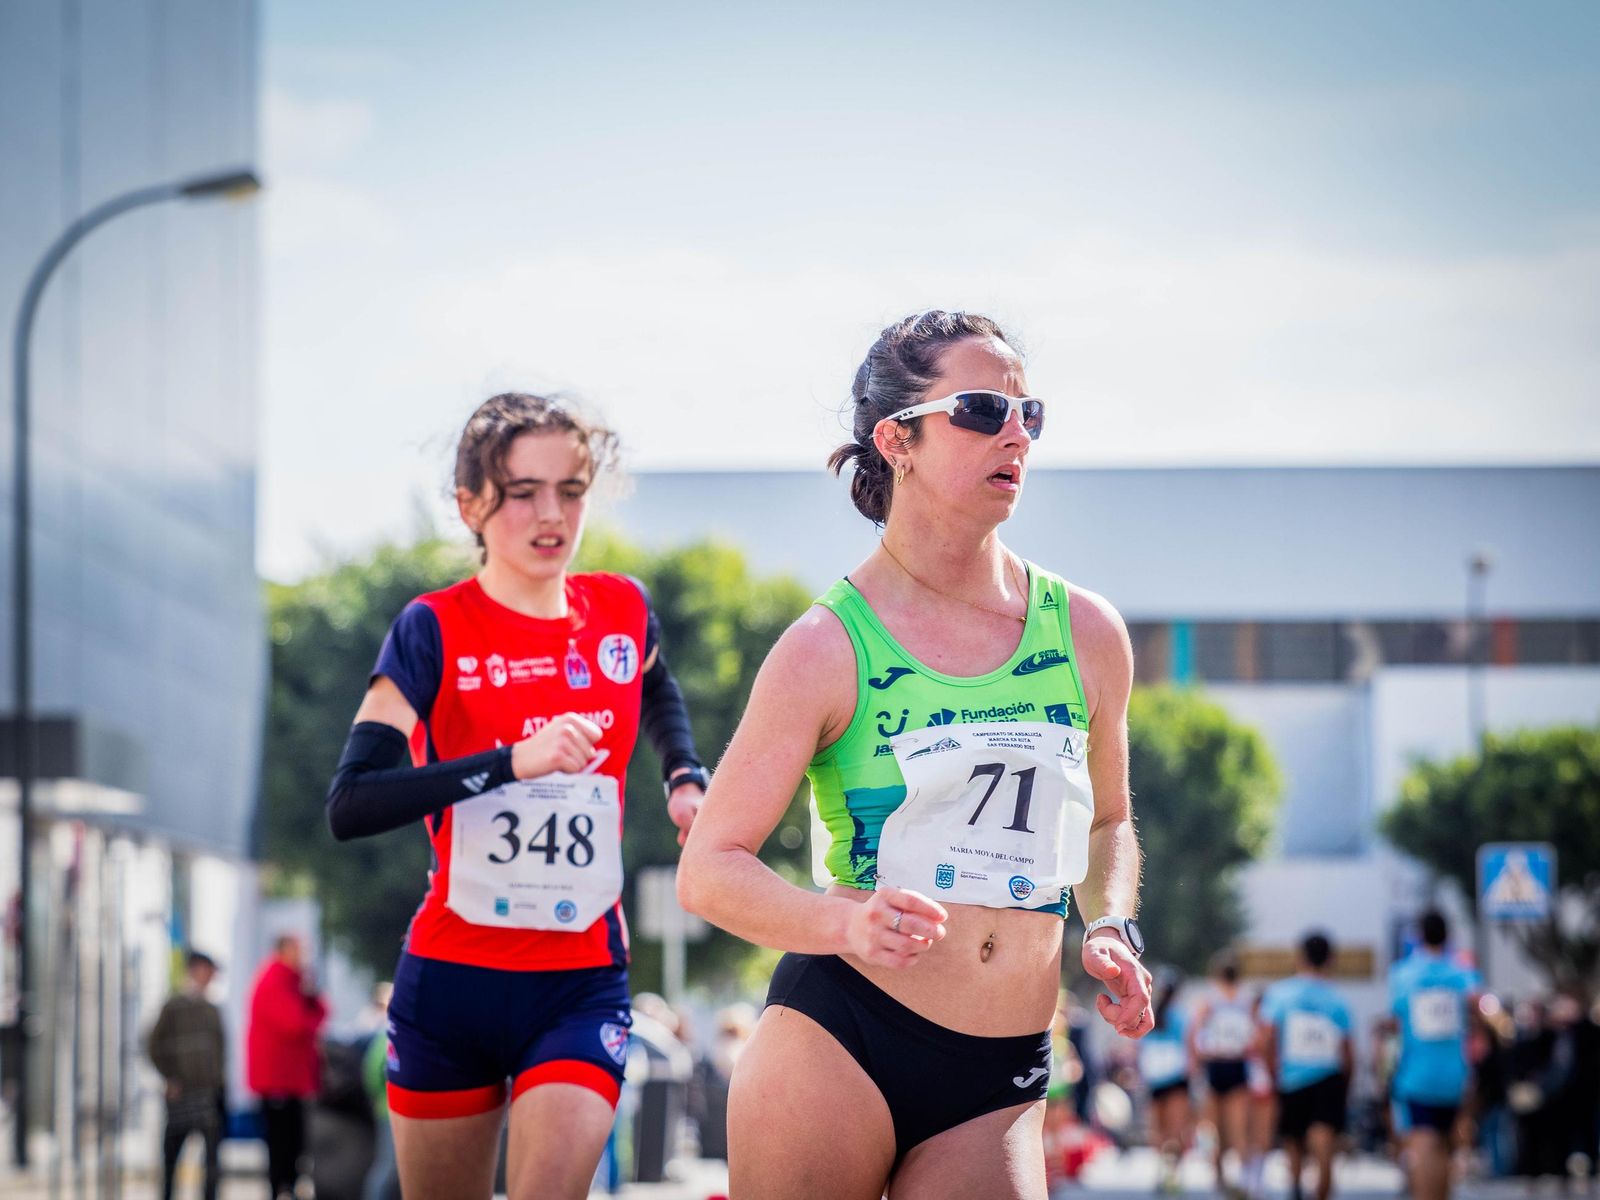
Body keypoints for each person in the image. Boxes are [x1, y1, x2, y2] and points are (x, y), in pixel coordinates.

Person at [678, 310, 1154, 1199]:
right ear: (897, 439)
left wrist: (1112, 924)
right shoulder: (825, 646)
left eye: (1028, 413)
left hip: (999, 1072)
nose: (1015, 433)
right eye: (981, 410)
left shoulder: (1088, 632)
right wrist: (841, 925)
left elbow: (1111, 823)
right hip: (840, 1038)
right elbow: (708, 869)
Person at [324, 392, 708, 1200]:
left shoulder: (620, 611)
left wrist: (685, 780)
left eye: (570, 491)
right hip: (449, 981)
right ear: (470, 505)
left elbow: (657, 685)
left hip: (580, 980)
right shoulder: (432, 628)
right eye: (523, 492)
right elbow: (352, 803)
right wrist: (509, 764)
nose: (551, 514)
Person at [1384, 910, 1480, 1200]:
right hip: (1455, 1075)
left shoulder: (1404, 974)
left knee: (1425, 1145)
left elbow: (1395, 1019)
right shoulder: (1462, 974)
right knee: (1448, 1147)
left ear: (1419, 936)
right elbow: (1479, 1010)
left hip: (1417, 1074)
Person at [1260, 931, 1354, 1200]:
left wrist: (1272, 1072)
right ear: (1330, 960)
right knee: (1324, 1146)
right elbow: (1348, 1051)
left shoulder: (1280, 994)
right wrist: (1345, 1085)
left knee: (1294, 1142)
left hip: (1291, 1079)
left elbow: (1266, 1040)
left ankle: (1296, 1188)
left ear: (1301, 958)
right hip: (1328, 1077)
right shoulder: (1337, 999)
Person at [246, 934, 328, 1200]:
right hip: (277, 1080)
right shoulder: (274, 980)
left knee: (294, 1141)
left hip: (291, 1080)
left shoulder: (292, 982)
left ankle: (287, 1187)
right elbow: (296, 1024)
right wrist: (314, 1014)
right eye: (297, 950)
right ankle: (280, 1189)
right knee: (281, 1142)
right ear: (282, 951)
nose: (301, 957)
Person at [146, 950, 226, 1200]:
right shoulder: (173, 1007)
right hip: (181, 1095)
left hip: (208, 1094)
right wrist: (169, 1077)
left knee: (211, 1163)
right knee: (172, 1158)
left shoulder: (212, 1009)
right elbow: (153, 1045)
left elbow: (220, 1053)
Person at [1189, 950, 1256, 1198]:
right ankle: (1243, 1179)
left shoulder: (1209, 1000)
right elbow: (1255, 1035)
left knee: (1214, 1128)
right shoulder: (1246, 1000)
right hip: (1236, 1064)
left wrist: (1197, 1062)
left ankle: (1219, 1178)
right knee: (1238, 1128)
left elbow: (1195, 1034)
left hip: (1215, 1065)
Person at [1138, 975, 1193, 1193]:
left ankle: (1161, 1172)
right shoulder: (1181, 1016)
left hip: (1154, 1078)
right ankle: (1175, 1176)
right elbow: (1190, 1047)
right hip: (1177, 1078)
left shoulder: (1150, 1013)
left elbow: (1140, 1048)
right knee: (1177, 1129)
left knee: (1158, 1129)